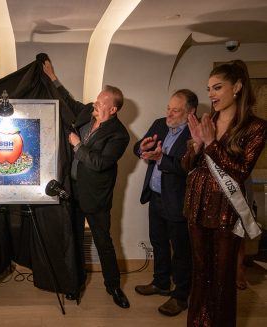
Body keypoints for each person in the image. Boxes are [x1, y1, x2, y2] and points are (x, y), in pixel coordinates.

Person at [182, 60, 267, 327]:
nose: (211, 95)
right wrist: (195, 147)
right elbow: (187, 166)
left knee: (222, 278)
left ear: (238, 87)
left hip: (225, 212)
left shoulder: (256, 127)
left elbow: (240, 171)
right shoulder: (208, 121)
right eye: (209, 89)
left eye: (217, 88)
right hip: (195, 207)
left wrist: (211, 144)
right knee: (200, 274)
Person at [43, 60, 131, 308]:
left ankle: (113, 287)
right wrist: (53, 78)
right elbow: (69, 102)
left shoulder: (119, 135)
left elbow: (100, 163)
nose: (95, 103)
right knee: (73, 239)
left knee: (103, 242)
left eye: (101, 102)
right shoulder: (86, 114)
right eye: (97, 99)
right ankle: (74, 284)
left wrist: (77, 145)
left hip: (95, 197)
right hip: (72, 191)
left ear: (112, 109)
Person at [133, 89, 197, 316]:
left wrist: (160, 158)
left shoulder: (195, 133)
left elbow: (186, 166)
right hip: (155, 195)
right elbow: (137, 147)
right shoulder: (160, 124)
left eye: (176, 110)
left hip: (178, 201)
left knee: (181, 251)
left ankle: (180, 296)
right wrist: (143, 148)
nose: (169, 113)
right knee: (158, 242)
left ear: (191, 112)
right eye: (168, 107)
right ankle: (161, 283)